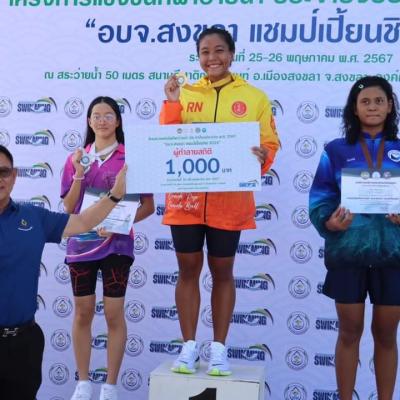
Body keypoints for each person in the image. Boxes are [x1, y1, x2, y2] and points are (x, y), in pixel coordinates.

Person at [160, 27, 279, 376]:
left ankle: (219, 349)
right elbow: (167, 140)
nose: (212, 58)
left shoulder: (255, 97)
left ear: (232, 54)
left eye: (219, 50)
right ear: (198, 57)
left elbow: (269, 143)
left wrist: (263, 156)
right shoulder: (185, 93)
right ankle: (188, 347)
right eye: (205, 52)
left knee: (223, 272)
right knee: (187, 270)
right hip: (185, 198)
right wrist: (171, 102)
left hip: (230, 201)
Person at [0, 145, 127, 400]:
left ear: (14, 176)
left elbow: (83, 222)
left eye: (3, 172)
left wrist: (114, 196)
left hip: (24, 344)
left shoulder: (33, 217)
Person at [309, 76, 400, 400]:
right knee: (349, 332)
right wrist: (330, 222)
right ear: (354, 108)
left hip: (393, 256)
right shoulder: (335, 150)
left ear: (390, 107)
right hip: (347, 254)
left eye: (379, 101)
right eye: (365, 102)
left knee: (386, 335)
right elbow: (320, 197)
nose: (372, 107)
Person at [61, 96, 154, 400]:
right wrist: (78, 172)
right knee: (82, 312)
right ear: (88, 121)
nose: (102, 120)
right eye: (96, 115)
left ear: (118, 121)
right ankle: (83, 383)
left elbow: (148, 206)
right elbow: (68, 206)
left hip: (117, 245)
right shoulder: (77, 158)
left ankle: (110, 386)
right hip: (81, 245)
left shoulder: (132, 158)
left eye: (108, 115)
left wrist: (120, 223)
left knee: (114, 313)